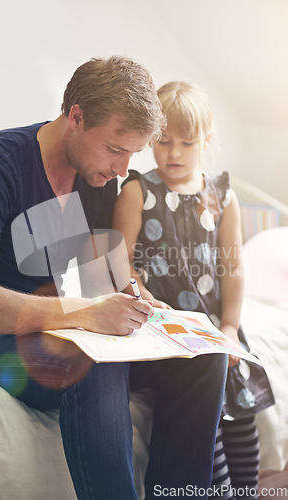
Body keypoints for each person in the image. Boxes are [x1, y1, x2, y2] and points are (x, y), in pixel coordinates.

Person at [0, 58, 227, 500]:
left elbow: (100, 271)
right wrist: (85, 315)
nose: (123, 171)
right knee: (91, 358)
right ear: (76, 117)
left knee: (203, 359)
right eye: (116, 150)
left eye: (132, 155)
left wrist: (138, 300)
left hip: (62, 325)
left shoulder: (97, 179)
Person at [112, 80, 275, 499]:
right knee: (206, 422)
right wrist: (145, 298)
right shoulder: (137, 191)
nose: (174, 153)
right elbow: (119, 261)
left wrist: (232, 326)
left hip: (214, 327)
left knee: (241, 413)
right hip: (163, 327)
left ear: (207, 141)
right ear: (151, 139)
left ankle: (247, 490)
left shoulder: (222, 196)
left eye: (187, 143)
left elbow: (233, 267)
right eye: (163, 142)